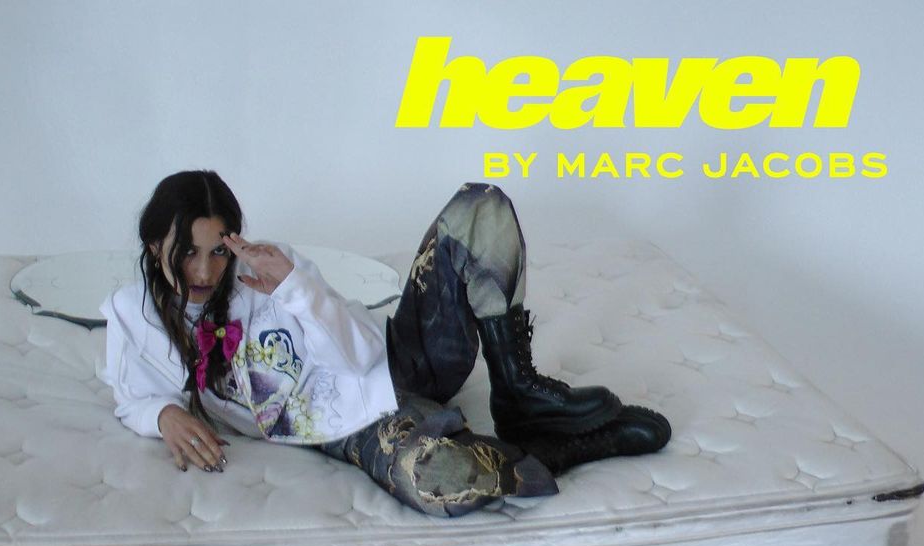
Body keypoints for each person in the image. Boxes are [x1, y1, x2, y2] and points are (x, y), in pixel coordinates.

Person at [99, 170, 670, 517]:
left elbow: (359, 356)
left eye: (218, 251)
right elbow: (133, 394)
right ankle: (563, 451)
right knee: (441, 479)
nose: (204, 270)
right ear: (154, 245)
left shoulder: (269, 269)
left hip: (399, 358)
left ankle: (517, 392)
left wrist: (297, 289)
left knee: (479, 206)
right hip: (348, 426)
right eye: (187, 252)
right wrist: (164, 415)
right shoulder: (132, 313)